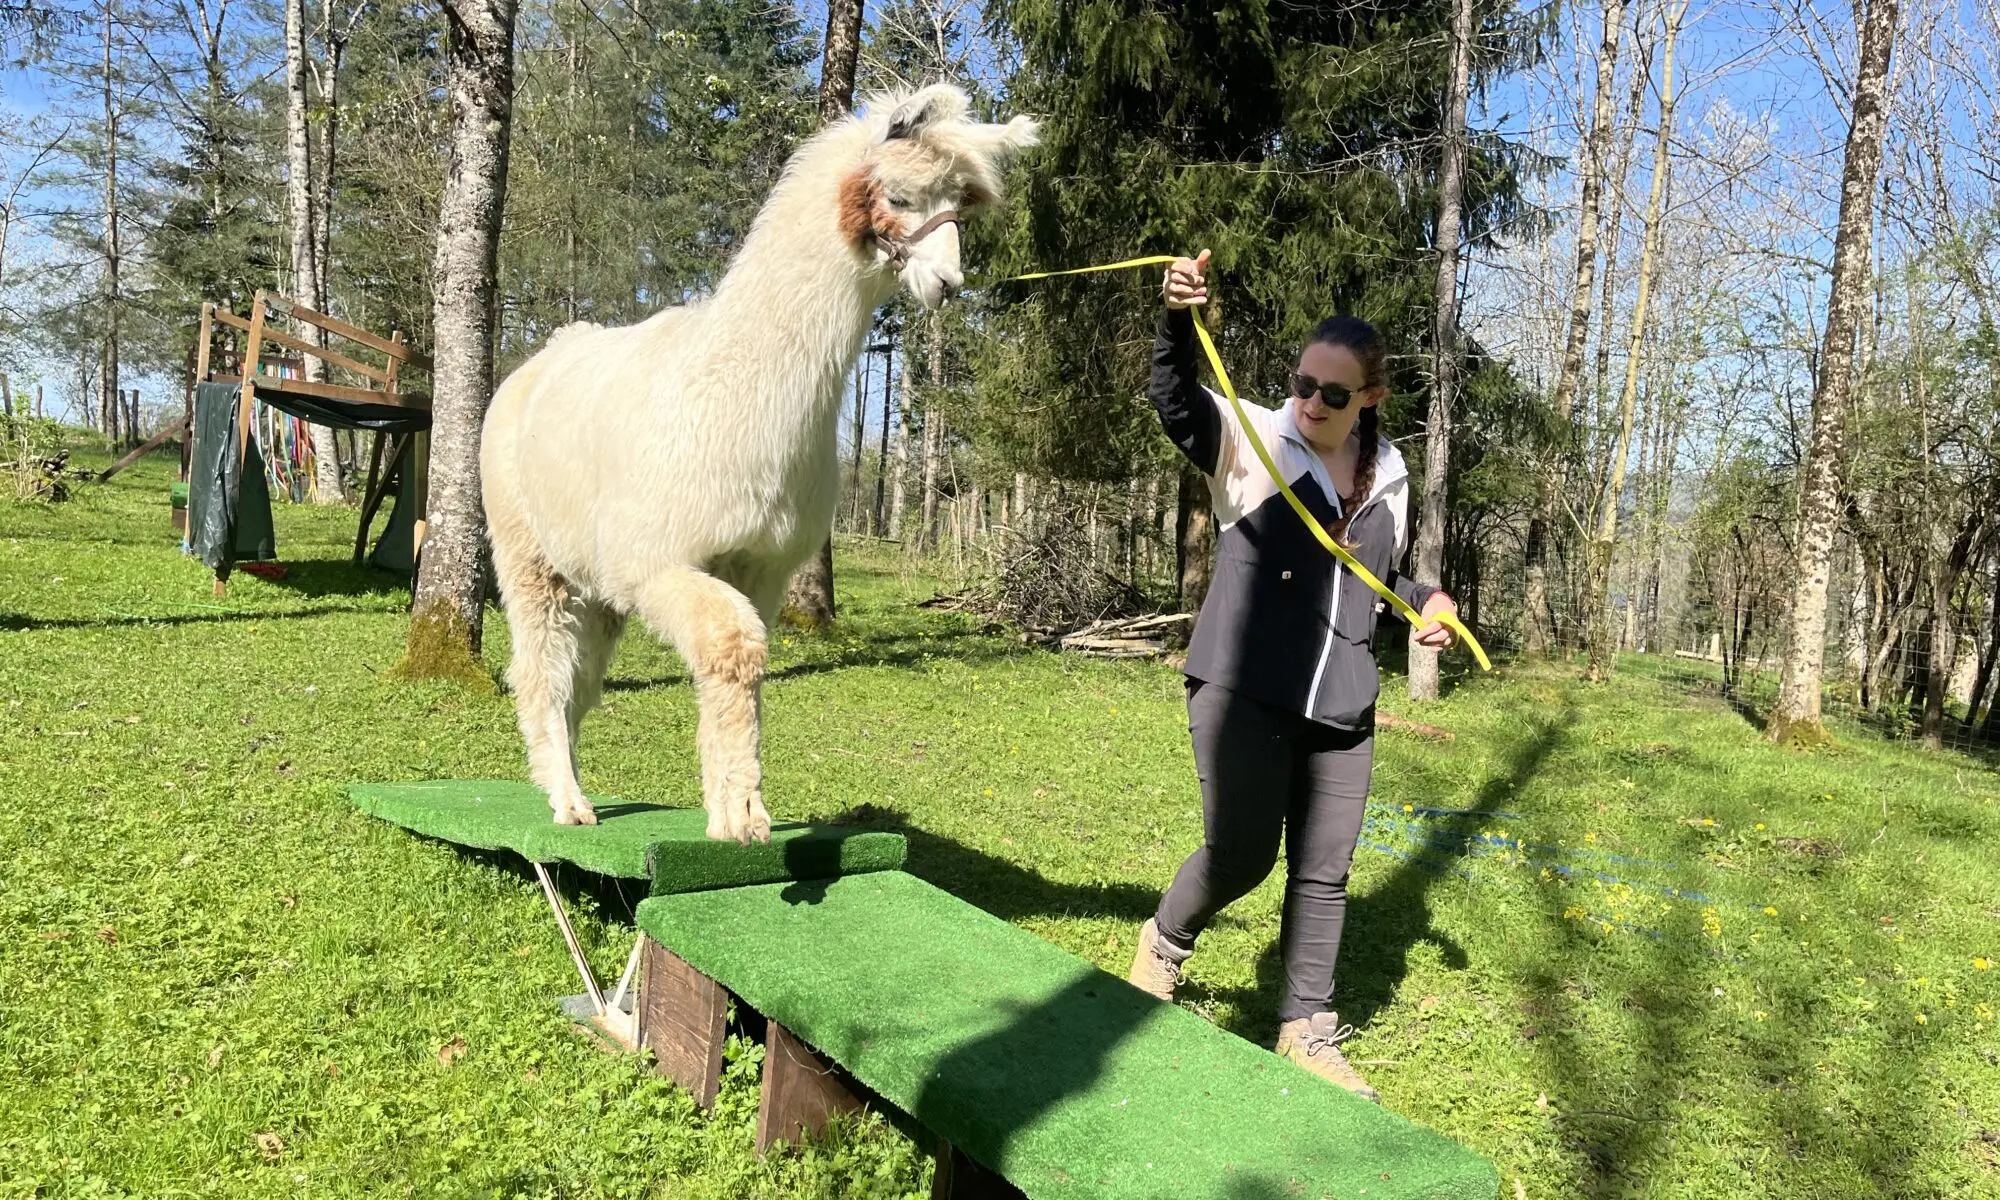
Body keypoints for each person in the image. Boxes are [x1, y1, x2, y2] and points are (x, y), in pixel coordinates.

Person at [1127, 249, 1460, 1101]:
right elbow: (1175, 401)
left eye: (1334, 394)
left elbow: (1379, 580)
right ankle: (1162, 947)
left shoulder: (1387, 473)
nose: (1311, 403)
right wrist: (1176, 320)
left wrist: (1428, 601)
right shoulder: (1253, 437)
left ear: (1372, 400)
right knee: (1242, 856)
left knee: (1324, 869)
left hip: (1342, 703)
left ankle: (1306, 1030)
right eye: (1303, 383)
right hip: (1242, 691)